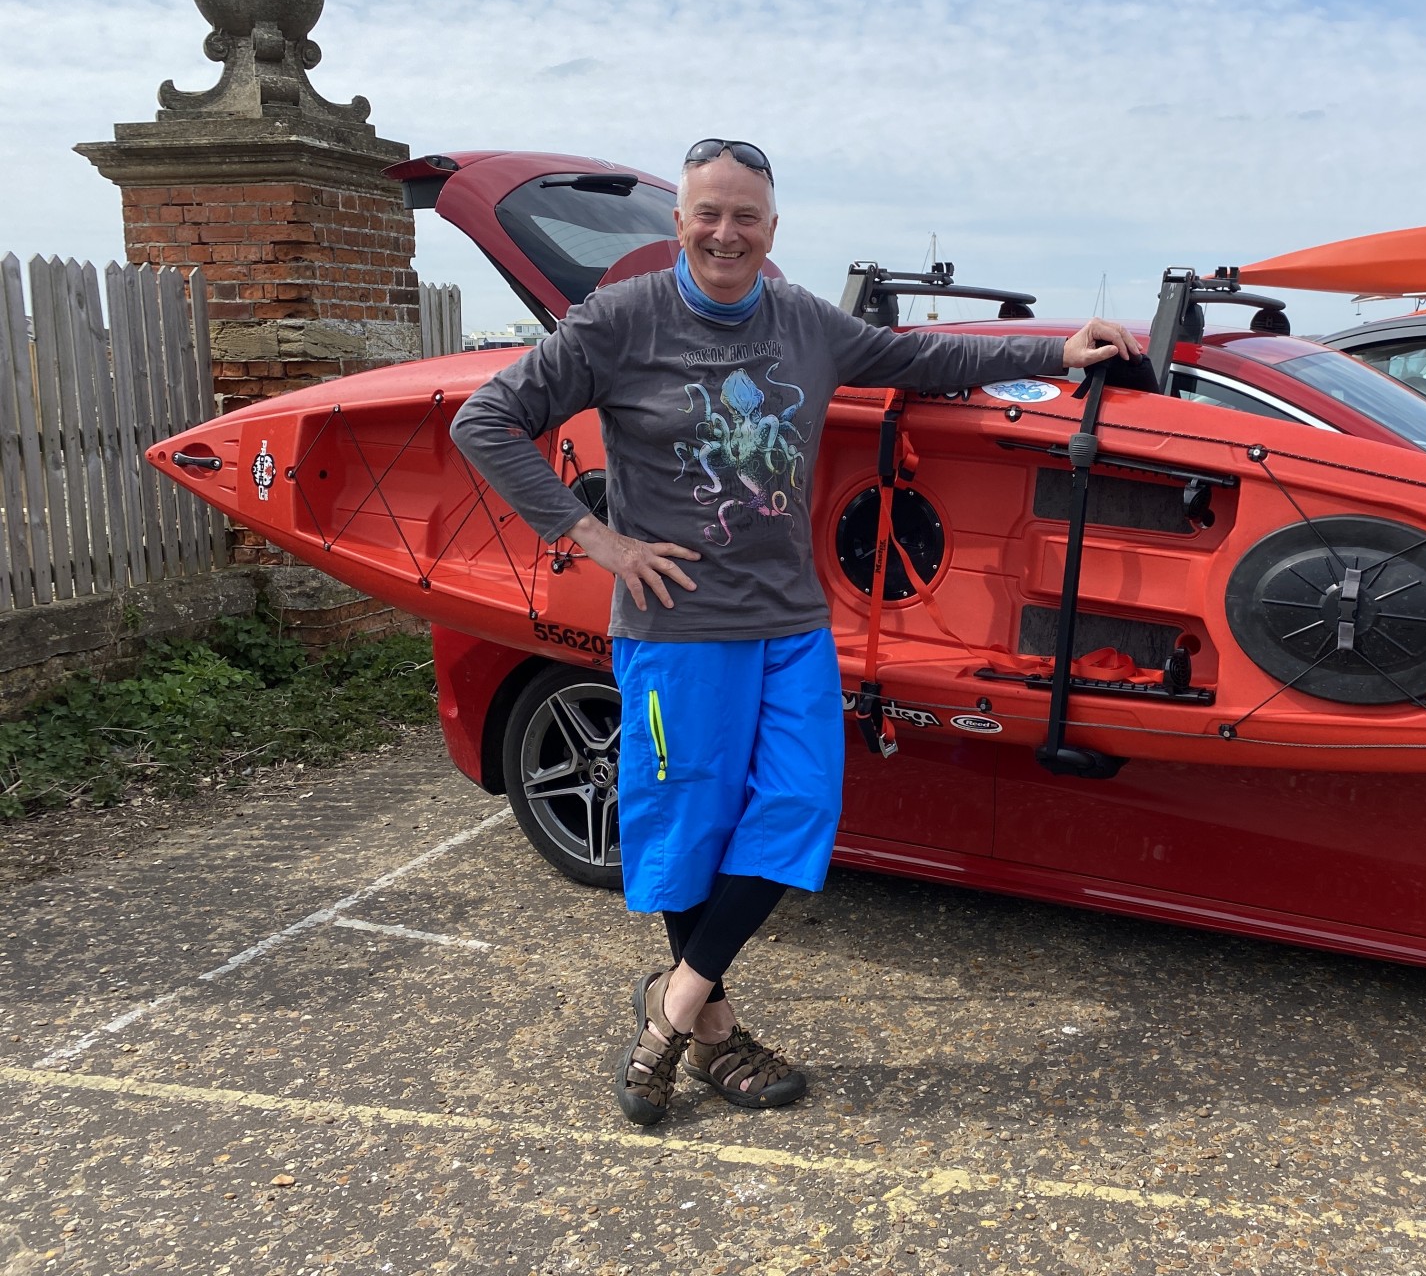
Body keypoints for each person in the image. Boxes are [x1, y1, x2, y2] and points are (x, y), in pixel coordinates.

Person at [451, 139, 1139, 1124]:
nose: (726, 232)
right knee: (691, 830)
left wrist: (1054, 353)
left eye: (747, 217)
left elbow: (926, 359)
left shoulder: (805, 324)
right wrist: (595, 539)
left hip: (788, 623)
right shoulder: (620, 321)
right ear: (679, 222)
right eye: (708, 213)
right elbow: (486, 421)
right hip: (677, 627)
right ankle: (718, 1036)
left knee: (798, 811)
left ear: (773, 230)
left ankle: (671, 1008)